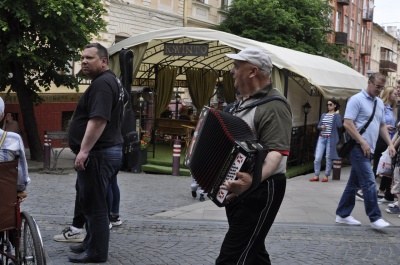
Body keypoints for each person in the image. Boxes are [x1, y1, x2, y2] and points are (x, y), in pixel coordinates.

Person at [215, 47, 292, 264]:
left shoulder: (275, 105)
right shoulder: (237, 106)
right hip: (241, 188)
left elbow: (276, 153)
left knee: (232, 257)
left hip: (261, 188)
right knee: (254, 251)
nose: (232, 71)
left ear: (253, 71)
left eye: (237, 66)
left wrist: (252, 181)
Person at [67, 43, 125, 263]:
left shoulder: (102, 84)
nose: (83, 61)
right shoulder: (113, 81)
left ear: (103, 61)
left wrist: (83, 151)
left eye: (89, 58)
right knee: (88, 199)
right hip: (106, 151)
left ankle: (96, 253)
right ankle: (90, 243)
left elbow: (99, 119)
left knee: (95, 205)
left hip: (99, 153)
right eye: (82, 58)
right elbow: (123, 101)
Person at [335, 73, 395, 229]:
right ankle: (375, 217)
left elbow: (382, 125)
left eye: (382, 88)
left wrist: (390, 144)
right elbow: (348, 123)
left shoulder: (379, 103)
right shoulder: (356, 100)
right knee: (369, 181)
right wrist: (362, 142)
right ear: (369, 83)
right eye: (377, 87)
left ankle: (342, 214)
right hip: (357, 146)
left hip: (370, 149)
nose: (380, 90)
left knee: (353, 184)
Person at [371, 86, 397, 203]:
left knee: (387, 168)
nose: (396, 95)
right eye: (394, 94)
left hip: (391, 140)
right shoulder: (382, 107)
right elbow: (375, 122)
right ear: (388, 94)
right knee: (378, 165)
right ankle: (365, 189)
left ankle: (383, 192)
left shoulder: (394, 109)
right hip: (382, 139)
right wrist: (385, 127)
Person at [0, 97, 30, 192]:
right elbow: (21, 182)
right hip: (4, 201)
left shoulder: (14, 124)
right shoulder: (14, 139)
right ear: (2, 115)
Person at [310, 99, 343, 182]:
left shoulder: (336, 116)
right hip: (322, 137)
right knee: (317, 157)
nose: (329, 106)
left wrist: (338, 115)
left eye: (330, 104)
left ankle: (326, 176)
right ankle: (316, 175)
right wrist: (321, 127)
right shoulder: (324, 115)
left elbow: (339, 125)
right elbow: (318, 126)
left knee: (328, 157)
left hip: (330, 139)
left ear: (335, 105)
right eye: (328, 104)